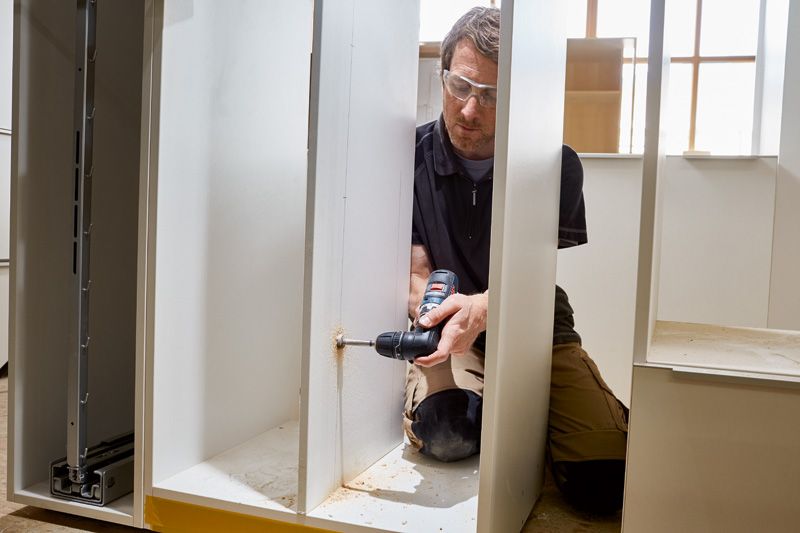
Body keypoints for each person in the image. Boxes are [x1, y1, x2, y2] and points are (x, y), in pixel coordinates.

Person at [403, 7, 629, 513]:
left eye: (491, 96)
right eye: (460, 85)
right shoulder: (406, 156)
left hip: (537, 325)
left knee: (604, 480)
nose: (468, 110)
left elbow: (531, 276)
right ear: (443, 74)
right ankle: (481, 403)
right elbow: (417, 272)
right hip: (446, 331)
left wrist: (483, 308)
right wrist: (438, 344)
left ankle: (561, 419)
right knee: (449, 438)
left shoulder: (557, 164)